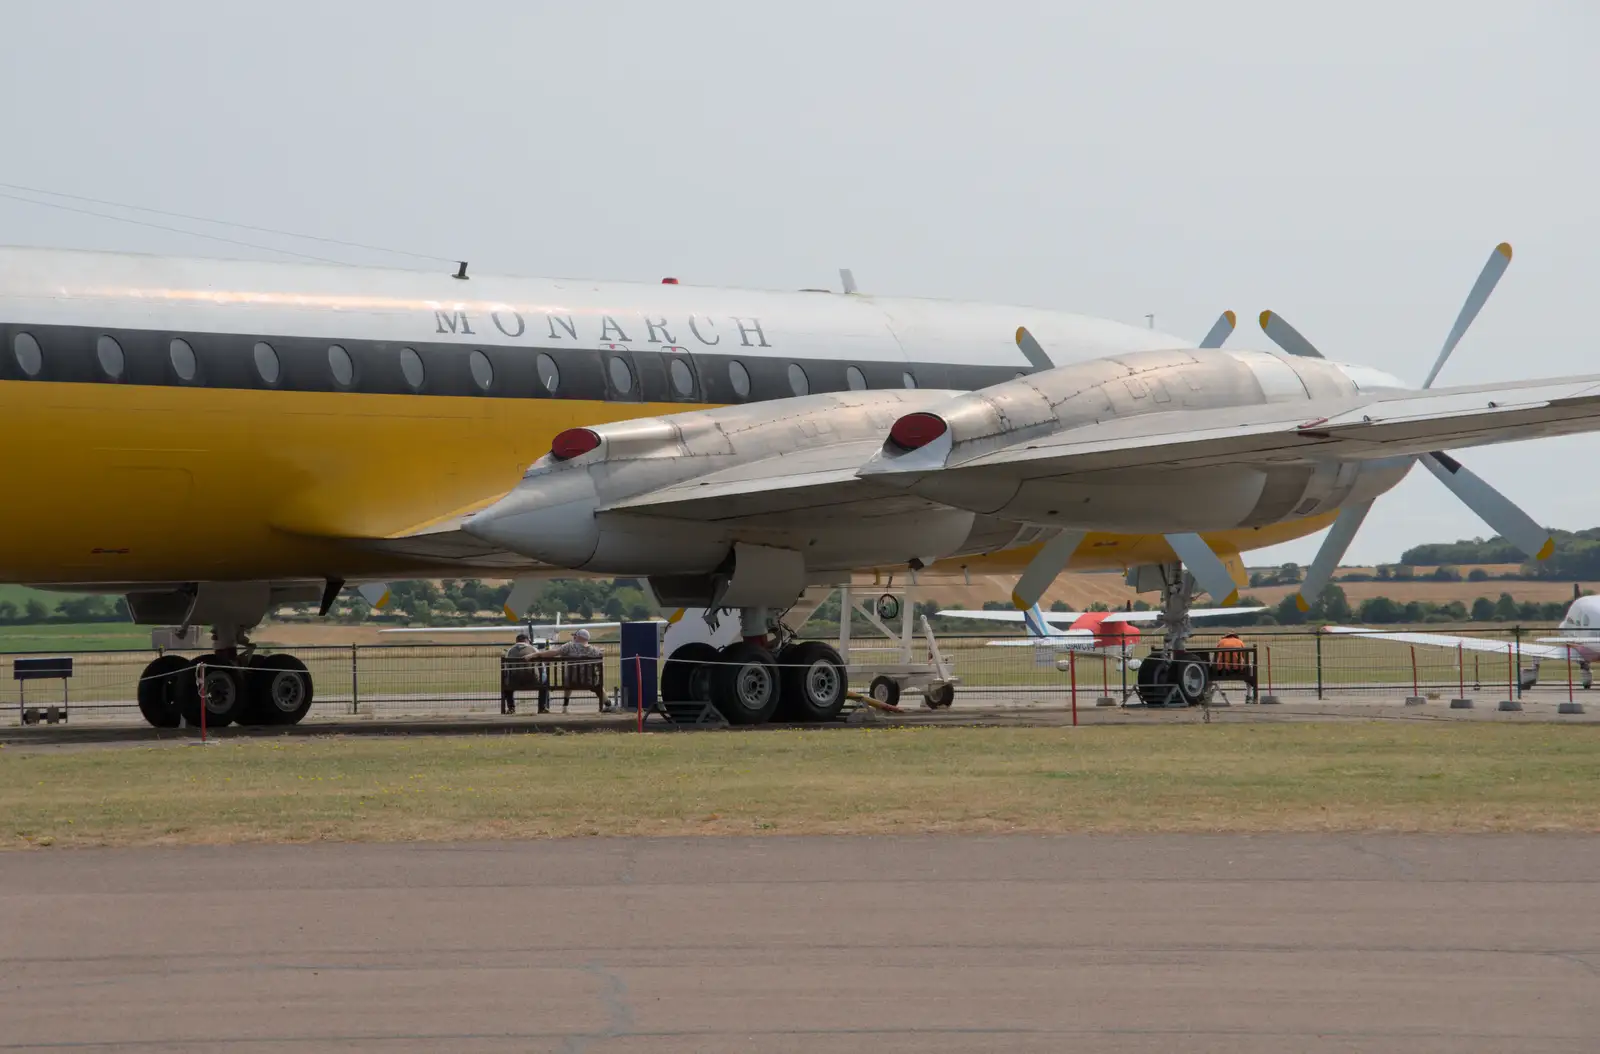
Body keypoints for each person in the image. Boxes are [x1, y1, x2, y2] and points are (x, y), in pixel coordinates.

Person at [534, 627, 606, 712]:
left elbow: (554, 652)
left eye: (574, 636)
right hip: (589, 681)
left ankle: (565, 706)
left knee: (569, 676)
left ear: (578, 637)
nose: (573, 638)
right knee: (598, 684)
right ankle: (607, 703)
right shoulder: (595, 650)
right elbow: (600, 666)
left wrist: (537, 654)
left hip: (571, 681)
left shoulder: (569, 646)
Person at [501, 632, 541, 714]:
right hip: (533, 681)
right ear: (527, 640)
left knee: (508, 686)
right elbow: (540, 664)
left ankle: (511, 708)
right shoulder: (534, 649)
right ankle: (542, 707)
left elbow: (507, 667)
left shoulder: (510, 651)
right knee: (544, 684)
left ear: (516, 641)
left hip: (514, 682)